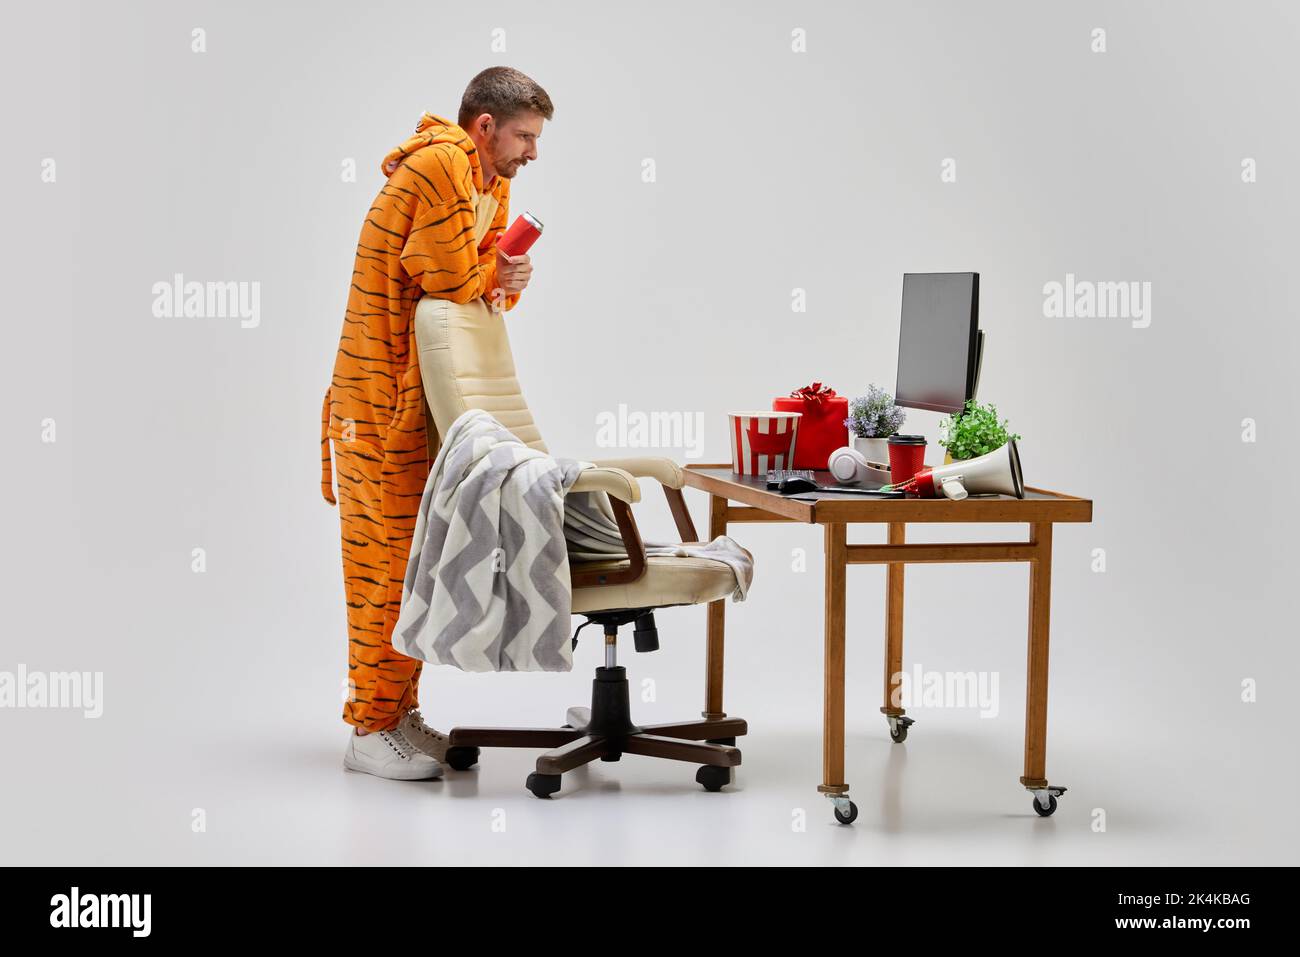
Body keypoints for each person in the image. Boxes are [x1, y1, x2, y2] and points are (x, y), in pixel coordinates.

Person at [320, 66, 551, 779]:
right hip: (376, 402)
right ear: (485, 126)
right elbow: (453, 279)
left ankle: (399, 711)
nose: (532, 153)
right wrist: (493, 274)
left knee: (417, 565)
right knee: (383, 569)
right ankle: (367, 727)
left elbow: (470, 290)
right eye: (524, 137)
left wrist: (502, 278)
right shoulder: (444, 164)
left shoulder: (490, 181)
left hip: (416, 405)